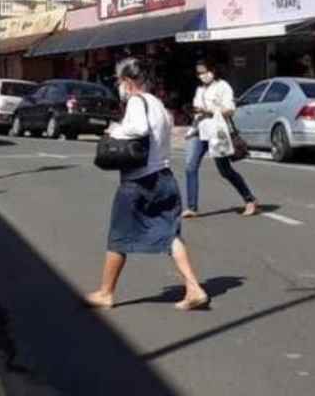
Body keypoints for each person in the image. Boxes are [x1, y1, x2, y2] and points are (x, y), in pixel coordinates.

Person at [85, 58, 208, 311]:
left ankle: (106, 293)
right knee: (169, 234)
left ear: (129, 82)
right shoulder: (158, 104)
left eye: (120, 81)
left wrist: (115, 132)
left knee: (118, 236)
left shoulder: (136, 102)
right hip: (164, 178)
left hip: (139, 182)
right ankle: (194, 287)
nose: (119, 86)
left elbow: (139, 129)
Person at [184, 60, 258, 218]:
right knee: (190, 166)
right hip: (200, 131)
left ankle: (249, 199)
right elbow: (197, 111)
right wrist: (193, 124)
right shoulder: (199, 90)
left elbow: (230, 109)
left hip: (216, 132)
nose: (202, 75)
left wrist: (210, 110)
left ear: (212, 70)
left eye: (204, 71)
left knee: (225, 170)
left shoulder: (223, 86)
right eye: (199, 73)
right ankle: (192, 207)